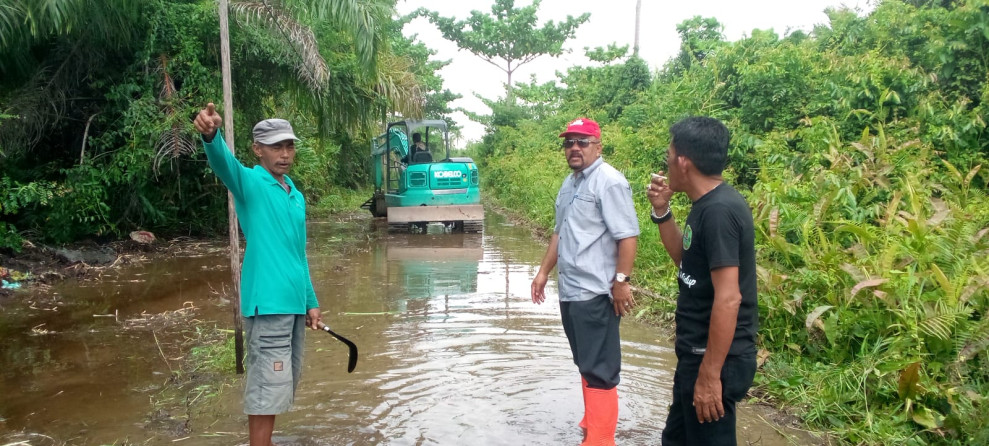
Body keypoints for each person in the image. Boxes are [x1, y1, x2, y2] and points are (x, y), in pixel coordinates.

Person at [193, 103, 322, 446]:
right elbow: (223, 164)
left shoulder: (295, 196)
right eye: (276, 146)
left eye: (289, 146)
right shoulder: (250, 183)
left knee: (279, 389)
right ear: (258, 150)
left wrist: (310, 302)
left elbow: (298, 253)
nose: (284, 154)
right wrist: (211, 135)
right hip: (267, 307)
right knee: (266, 389)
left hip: (293, 307)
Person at [645, 116, 758, 446]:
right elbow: (687, 262)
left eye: (669, 154)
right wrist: (662, 211)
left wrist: (709, 376)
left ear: (683, 160)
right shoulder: (705, 207)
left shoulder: (720, 211)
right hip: (697, 355)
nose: (666, 162)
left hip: (715, 360)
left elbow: (729, 298)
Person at [530, 117, 639, 445]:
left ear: (597, 146)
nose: (574, 148)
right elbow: (560, 233)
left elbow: (628, 236)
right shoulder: (570, 183)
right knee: (586, 359)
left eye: (582, 142)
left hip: (595, 292)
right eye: (569, 142)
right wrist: (543, 271)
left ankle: (601, 439)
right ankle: (592, 420)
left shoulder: (609, 182)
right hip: (571, 291)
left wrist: (621, 282)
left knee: (600, 366)